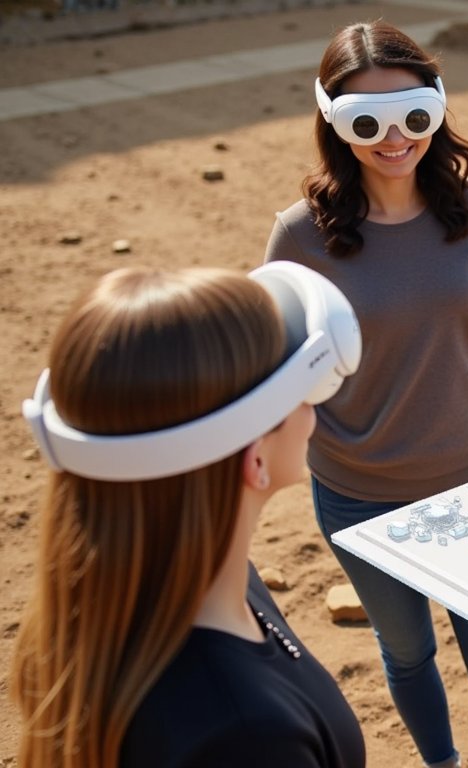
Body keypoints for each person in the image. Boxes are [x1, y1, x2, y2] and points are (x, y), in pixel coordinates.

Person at [263, 21, 468, 768]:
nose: (395, 138)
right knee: (408, 653)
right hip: (358, 494)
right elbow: (282, 362)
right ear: (331, 121)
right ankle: (442, 763)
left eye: (413, 114)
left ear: (438, 106)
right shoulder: (299, 237)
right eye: (367, 121)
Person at [10, 264, 366, 768]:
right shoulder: (248, 740)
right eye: (296, 396)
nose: (312, 412)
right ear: (255, 461)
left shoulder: (142, 597)